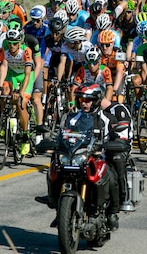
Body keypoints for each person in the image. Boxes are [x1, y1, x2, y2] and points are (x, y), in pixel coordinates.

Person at [38, 82, 133, 230]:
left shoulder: (107, 119)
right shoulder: (71, 118)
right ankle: (56, 202)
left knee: (112, 171)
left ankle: (113, 211)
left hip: (99, 158)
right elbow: (61, 136)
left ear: (96, 101)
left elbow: (118, 138)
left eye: (88, 100)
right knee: (55, 161)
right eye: (82, 100)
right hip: (78, 157)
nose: (85, 104)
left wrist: (113, 144)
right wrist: (53, 141)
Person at [0, 28, 35, 156]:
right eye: (10, 43)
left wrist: (21, 92)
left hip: (24, 76)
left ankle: (26, 137)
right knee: (4, 91)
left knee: (21, 103)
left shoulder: (26, 51)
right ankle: (5, 119)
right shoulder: (4, 50)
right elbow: (3, 67)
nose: (12, 46)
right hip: (12, 74)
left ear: (20, 42)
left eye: (15, 43)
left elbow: (27, 75)